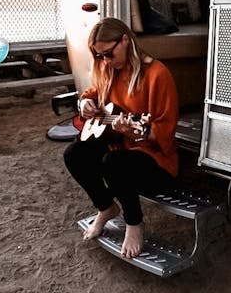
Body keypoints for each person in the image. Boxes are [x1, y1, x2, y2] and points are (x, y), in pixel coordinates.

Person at [63, 17, 179, 259]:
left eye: (108, 53)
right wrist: (85, 102)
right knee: (74, 154)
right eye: (99, 56)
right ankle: (106, 207)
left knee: (113, 163)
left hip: (156, 162)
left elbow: (164, 136)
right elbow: (95, 92)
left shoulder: (158, 75)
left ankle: (134, 223)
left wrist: (137, 131)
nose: (104, 60)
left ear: (125, 40)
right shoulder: (110, 69)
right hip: (120, 148)